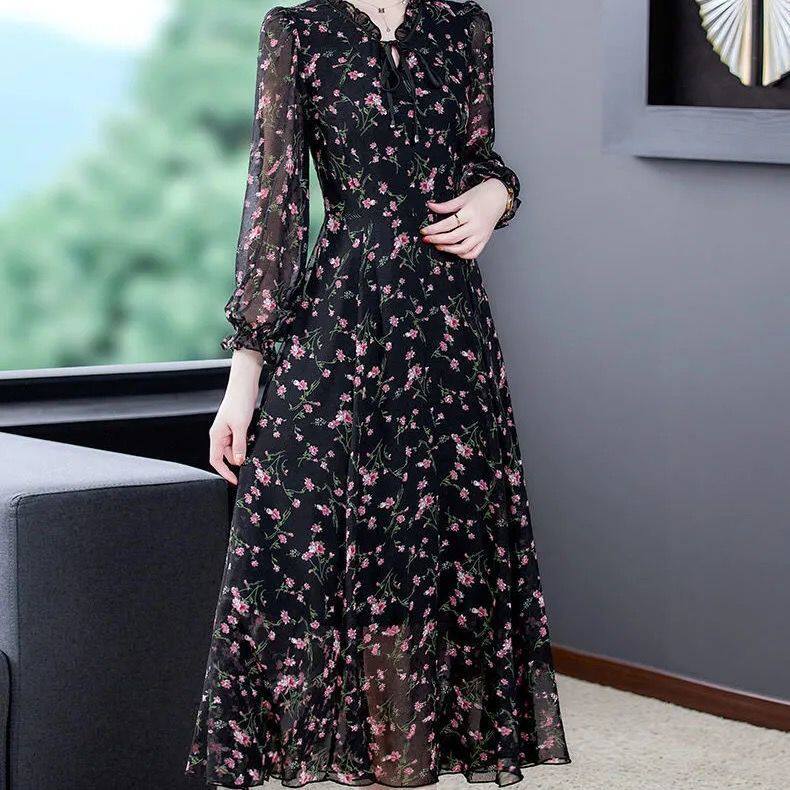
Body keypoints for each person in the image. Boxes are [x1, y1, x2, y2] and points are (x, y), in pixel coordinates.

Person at [186, 1, 570, 786]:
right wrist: (245, 375)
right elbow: (275, 201)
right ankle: (346, 752)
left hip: (447, 325)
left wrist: (496, 197)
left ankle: (407, 755)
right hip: (341, 316)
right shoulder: (298, 30)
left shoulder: (464, 25)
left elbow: (479, 159)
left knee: (436, 543)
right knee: (315, 538)